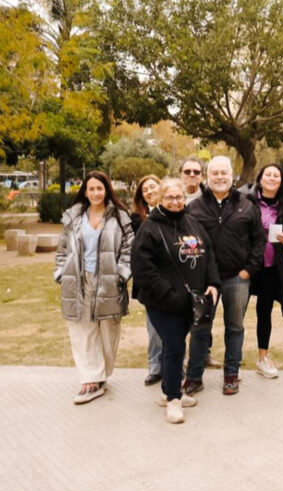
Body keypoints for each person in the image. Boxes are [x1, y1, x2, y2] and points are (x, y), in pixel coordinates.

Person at [131, 178, 220, 424]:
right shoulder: (149, 229)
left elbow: (208, 254)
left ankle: (170, 391)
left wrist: (213, 283)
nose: (175, 202)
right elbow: (142, 269)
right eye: (169, 197)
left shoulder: (193, 223)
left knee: (176, 345)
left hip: (191, 301)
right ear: (159, 199)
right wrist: (168, 294)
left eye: (179, 197)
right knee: (174, 347)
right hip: (163, 303)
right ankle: (172, 399)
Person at [186, 156, 265, 396]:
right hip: (204, 281)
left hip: (236, 278)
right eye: (215, 173)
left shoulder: (247, 205)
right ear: (208, 177)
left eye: (224, 173)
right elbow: (188, 242)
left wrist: (248, 270)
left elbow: (259, 241)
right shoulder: (195, 207)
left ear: (232, 176)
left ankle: (231, 374)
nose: (219, 177)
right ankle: (194, 377)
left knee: (235, 327)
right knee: (200, 328)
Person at [54, 171, 133, 404]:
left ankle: (101, 375)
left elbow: (129, 249)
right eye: (91, 189)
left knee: (108, 332)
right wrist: (60, 271)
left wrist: (121, 274)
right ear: (85, 192)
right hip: (79, 281)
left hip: (109, 281)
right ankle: (90, 379)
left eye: (100, 188)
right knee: (82, 330)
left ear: (107, 190)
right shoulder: (74, 217)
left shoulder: (119, 217)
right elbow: (61, 249)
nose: (96, 193)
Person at [241, 164, 283, 379]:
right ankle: (232, 361)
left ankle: (263, 358)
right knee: (237, 314)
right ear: (260, 179)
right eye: (268, 174)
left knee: (264, 313)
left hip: (272, 267)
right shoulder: (246, 200)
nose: (272, 178)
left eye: (276, 175)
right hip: (246, 267)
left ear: (281, 180)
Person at [180, 157, 221, 369]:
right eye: (188, 171)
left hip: (205, 266)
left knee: (206, 315)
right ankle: (177, 359)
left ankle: (203, 354)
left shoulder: (209, 198)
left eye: (196, 171)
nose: (192, 175)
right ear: (181, 174)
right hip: (180, 267)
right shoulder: (172, 196)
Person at [130, 174, 164, 386]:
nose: (150, 192)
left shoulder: (176, 211)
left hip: (174, 278)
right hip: (150, 279)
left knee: (175, 327)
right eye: (145, 190)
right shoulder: (137, 219)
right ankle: (155, 366)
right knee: (153, 327)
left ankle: (176, 364)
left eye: (153, 187)